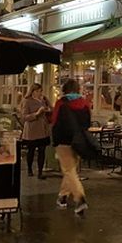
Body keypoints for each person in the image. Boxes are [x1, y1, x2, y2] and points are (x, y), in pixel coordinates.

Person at [51, 79, 91, 215]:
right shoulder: (85, 103)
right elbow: (88, 123)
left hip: (63, 141)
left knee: (69, 170)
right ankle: (62, 197)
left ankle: (80, 198)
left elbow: (54, 121)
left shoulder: (61, 103)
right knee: (71, 170)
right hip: (79, 141)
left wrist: (54, 140)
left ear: (65, 89)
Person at [21, 83, 51, 179]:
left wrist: (47, 105)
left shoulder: (42, 100)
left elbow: (51, 108)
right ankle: (29, 169)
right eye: (37, 91)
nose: (39, 93)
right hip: (32, 129)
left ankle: (40, 172)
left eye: (40, 91)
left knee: (42, 150)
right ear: (32, 92)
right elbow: (24, 117)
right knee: (31, 150)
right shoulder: (27, 101)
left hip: (43, 128)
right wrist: (37, 113)